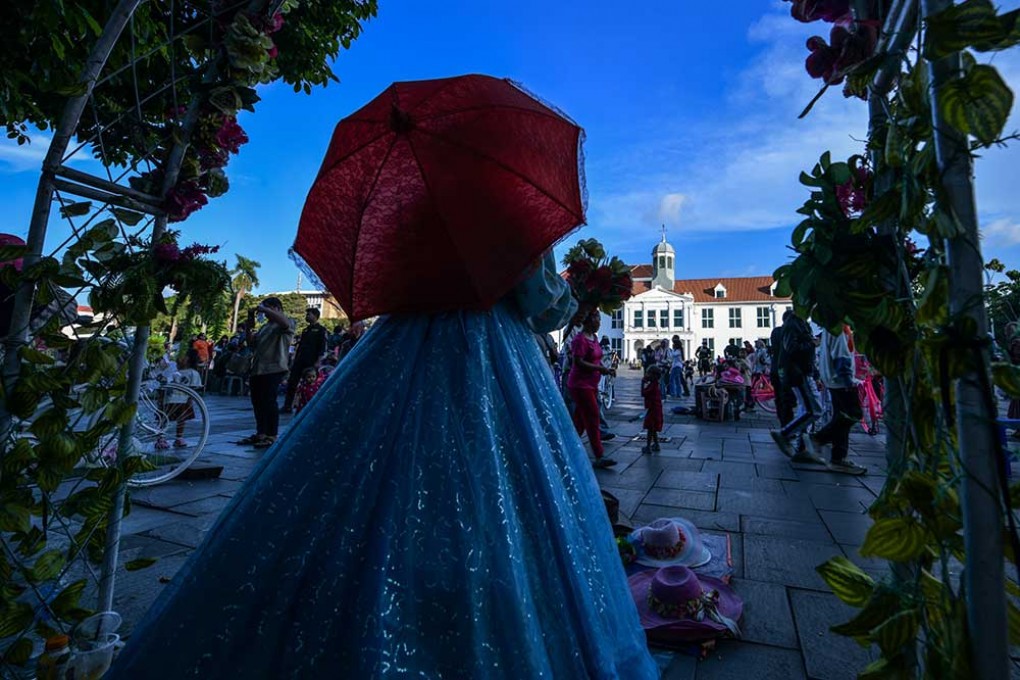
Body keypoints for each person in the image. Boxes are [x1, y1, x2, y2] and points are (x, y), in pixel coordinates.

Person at [107, 250, 657, 679]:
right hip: (489, 353)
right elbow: (543, 301)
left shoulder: (414, 205)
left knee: (364, 476)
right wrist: (575, 294)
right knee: (492, 485)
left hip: (401, 345)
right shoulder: (504, 211)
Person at [237, 297, 295, 449]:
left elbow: (285, 324)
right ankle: (260, 432)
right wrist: (250, 322)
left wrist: (264, 309)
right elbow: (251, 343)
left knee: (269, 401)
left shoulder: (287, 322)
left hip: (274, 367)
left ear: (276, 308)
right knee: (257, 402)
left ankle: (272, 434)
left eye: (269, 308)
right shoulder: (265, 327)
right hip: (258, 368)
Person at [810, 327, 868, 475]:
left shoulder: (832, 329)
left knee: (841, 416)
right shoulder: (839, 330)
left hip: (833, 379)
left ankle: (838, 457)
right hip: (840, 380)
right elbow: (841, 355)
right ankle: (819, 438)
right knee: (853, 413)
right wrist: (848, 379)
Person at [770, 310, 823, 461]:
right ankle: (785, 434)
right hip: (799, 373)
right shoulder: (794, 324)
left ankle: (802, 448)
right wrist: (812, 343)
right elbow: (792, 348)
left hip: (798, 372)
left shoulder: (797, 324)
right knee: (814, 410)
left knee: (806, 409)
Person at [568, 308, 617, 468]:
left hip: (591, 384)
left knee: (580, 421)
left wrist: (605, 367)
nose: (599, 323)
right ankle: (599, 454)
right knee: (593, 417)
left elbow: (597, 358)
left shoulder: (594, 338)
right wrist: (600, 369)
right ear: (589, 320)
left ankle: (568, 448)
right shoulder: (580, 340)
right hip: (580, 385)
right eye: (597, 319)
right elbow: (578, 362)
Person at [281, 307, 329, 414]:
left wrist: (318, 361)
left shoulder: (321, 330)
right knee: (292, 382)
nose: (307, 316)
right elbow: (301, 345)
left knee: (311, 383)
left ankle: (309, 405)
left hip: (311, 361)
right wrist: (295, 358)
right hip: (300, 360)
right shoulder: (305, 330)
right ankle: (288, 405)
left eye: (309, 314)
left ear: (315, 316)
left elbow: (322, 347)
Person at [162, 350, 203, 448]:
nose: (179, 359)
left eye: (183, 356)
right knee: (163, 419)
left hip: (183, 399)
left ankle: (179, 437)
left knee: (181, 419)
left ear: (189, 360)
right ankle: (161, 438)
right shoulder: (172, 371)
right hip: (168, 399)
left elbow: (193, 388)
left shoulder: (192, 373)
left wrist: (190, 400)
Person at [642, 365, 663, 454]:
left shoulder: (652, 386)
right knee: (653, 428)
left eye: (648, 373)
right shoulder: (655, 384)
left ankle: (648, 447)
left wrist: (642, 383)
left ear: (653, 375)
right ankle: (656, 444)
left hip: (653, 410)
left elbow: (643, 393)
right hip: (656, 409)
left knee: (650, 428)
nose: (646, 375)